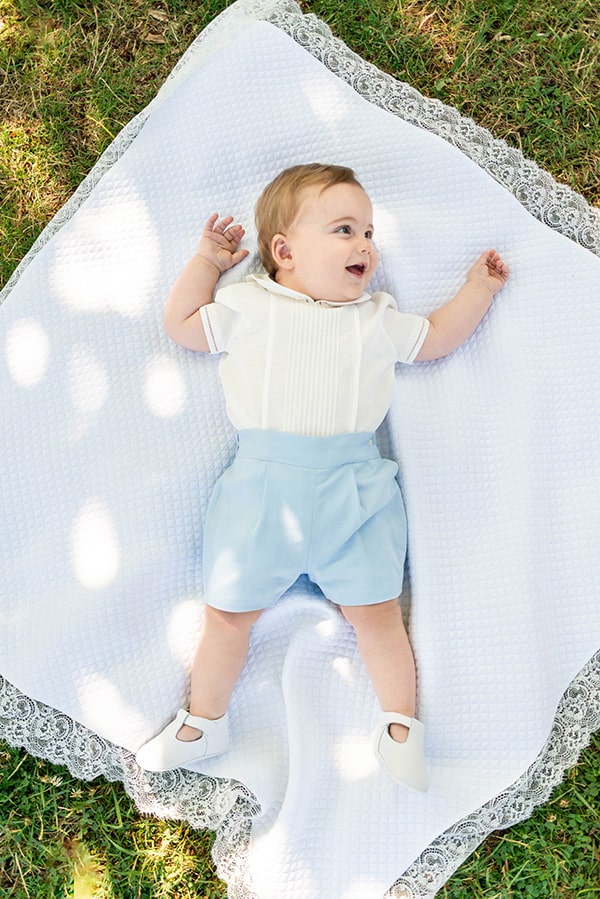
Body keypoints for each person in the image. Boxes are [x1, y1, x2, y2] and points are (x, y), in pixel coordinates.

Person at [135, 163, 509, 791]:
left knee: (379, 614)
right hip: (261, 491)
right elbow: (181, 326)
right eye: (344, 229)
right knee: (227, 615)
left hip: (354, 491)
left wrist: (478, 290)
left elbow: (438, 337)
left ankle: (400, 724)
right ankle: (204, 721)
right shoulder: (247, 303)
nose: (365, 244)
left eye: (368, 230)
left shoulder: (377, 317)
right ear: (283, 252)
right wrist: (206, 261)